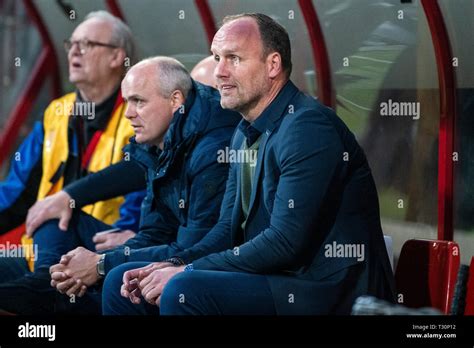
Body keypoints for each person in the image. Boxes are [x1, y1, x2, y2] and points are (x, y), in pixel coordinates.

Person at [102, 13, 396, 315]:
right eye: (217, 58)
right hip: (275, 279)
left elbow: (284, 243)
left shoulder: (307, 126)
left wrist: (187, 270)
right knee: (122, 283)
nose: (219, 72)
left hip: (324, 290)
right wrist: (172, 263)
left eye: (234, 59)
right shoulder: (244, 132)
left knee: (183, 290)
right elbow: (226, 230)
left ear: (273, 65)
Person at [0, 56, 240, 314]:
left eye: (138, 101)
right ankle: (49, 280)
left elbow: (189, 249)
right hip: (139, 251)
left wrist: (101, 263)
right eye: (127, 102)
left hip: (193, 267)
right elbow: (153, 231)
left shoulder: (213, 150)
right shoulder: (159, 145)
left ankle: (44, 289)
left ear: (177, 100)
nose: (127, 113)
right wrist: (82, 264)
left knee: (115, 280)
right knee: (54, 214)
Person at [0, 11, 144, 282]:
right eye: (71, 44)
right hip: (43, 247)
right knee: (51, 219)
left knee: (54, 216)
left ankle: (44, 289)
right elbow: (16, 193)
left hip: (99, 251)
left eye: (87, 44)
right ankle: (43, 286)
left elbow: (141, 200)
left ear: (116, 57)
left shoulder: (138, 115)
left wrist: (113, 257)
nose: (74, 51)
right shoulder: (56, 112)